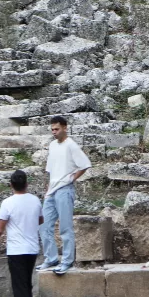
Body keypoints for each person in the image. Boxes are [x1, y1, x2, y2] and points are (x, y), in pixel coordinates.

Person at [37, 116, 92, 275]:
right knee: (44, 225)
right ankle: (51, 258)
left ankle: (67, 261)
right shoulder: (53, 145)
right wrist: (48, 187)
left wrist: (71, 179)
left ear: (65, 128)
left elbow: (85, 165)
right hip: (52, 191)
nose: (54, 132)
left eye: (57, 129)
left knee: (65, 227)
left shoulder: (71, 145)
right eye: (52, 129)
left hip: (65, 190)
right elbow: (51, 169)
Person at [0, 170, 43, 297]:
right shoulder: (35, 200)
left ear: (10, 185)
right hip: (32, 249)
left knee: (20, 287)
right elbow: (40, 220)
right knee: (26, 284)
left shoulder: (7, 203)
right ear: (27, 184)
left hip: (16, 250)